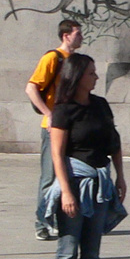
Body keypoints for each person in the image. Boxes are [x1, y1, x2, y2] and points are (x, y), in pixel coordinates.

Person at [44, 52, 127, 259]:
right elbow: (57, 154)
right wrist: (67, 193)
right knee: (67, 251)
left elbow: (115, 143)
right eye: (91, 73)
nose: (96, 77)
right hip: (75, 181)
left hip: (100, 183)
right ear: (77, 76)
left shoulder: (100, 105)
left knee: (92, 253)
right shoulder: (63, 110)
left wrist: (120, 177)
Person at [26, 19, 83, 239]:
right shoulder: (53, 58)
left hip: (72, 126)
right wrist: (48, 114)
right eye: (77, 33)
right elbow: (31, 88)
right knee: (49, 176)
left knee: (66, 176)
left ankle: (58, 218)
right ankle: (42, 223)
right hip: (53, 127)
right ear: (66, 35)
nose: (81, 37)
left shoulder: (77, 61)